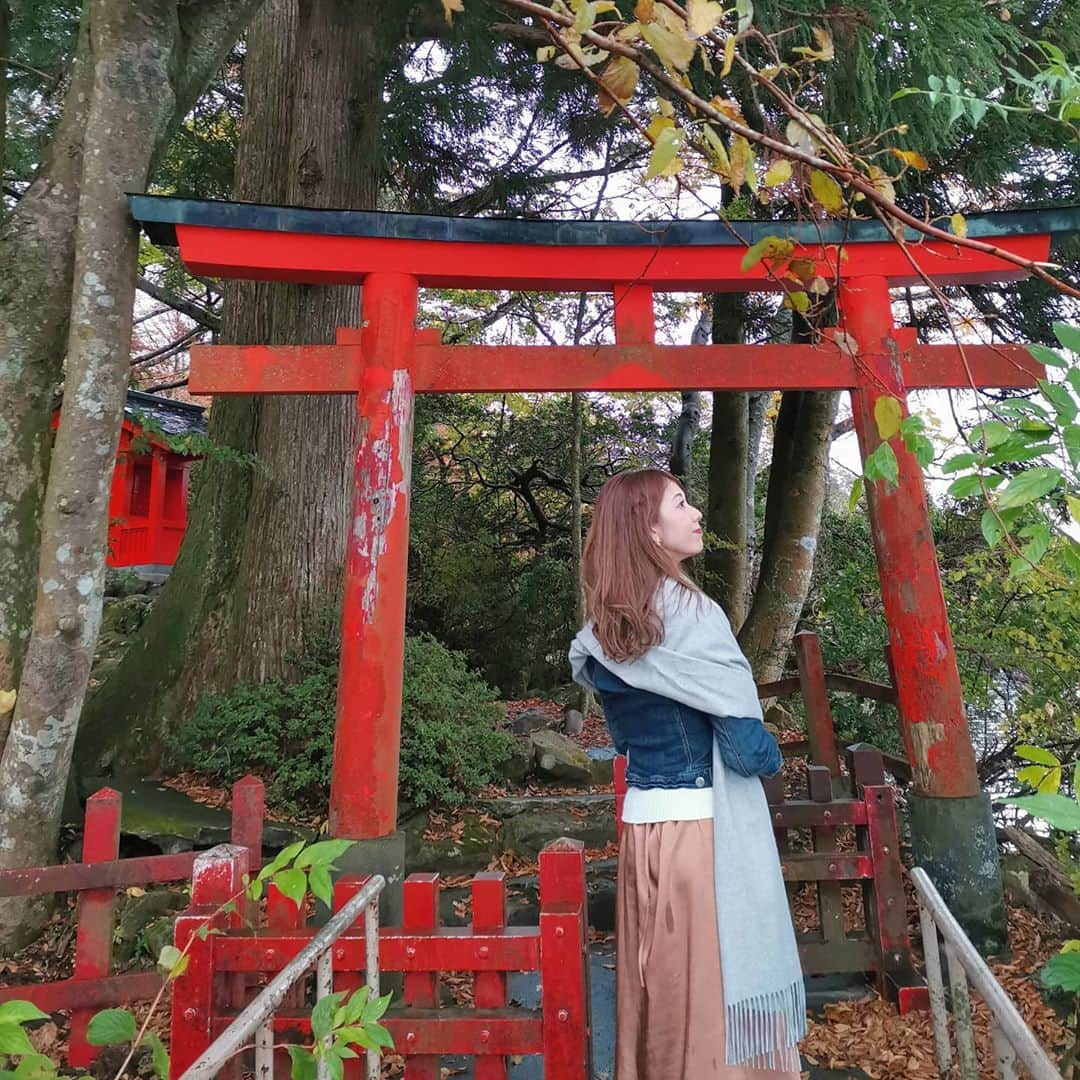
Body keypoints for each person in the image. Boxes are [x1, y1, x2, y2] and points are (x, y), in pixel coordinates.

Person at [568, 469, 806, 1079]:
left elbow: (625, 740)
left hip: (645, 830)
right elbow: (749, 752)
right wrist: (773, 748)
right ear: (649, 528)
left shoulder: (601, 633)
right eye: (680, 502)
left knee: (663, 982)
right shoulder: (695, 616)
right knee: (711, 982)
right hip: (703, 833)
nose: (696, 510)